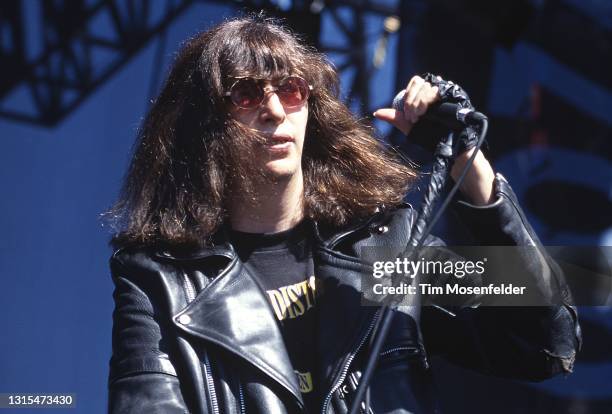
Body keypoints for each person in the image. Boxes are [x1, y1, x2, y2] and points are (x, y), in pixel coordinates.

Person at [106, 16, 580, 414]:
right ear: (205, 122)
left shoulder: (384, 247)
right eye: (247, 95)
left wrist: (471, 172)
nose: (274, 110)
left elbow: (545, 340)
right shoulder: (161, 279)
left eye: (291, 90)